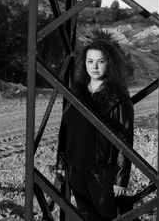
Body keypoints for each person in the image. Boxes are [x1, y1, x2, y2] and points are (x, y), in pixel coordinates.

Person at [56, 38, 134, 221]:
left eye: (100, 61)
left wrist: (121, 178)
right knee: (86, 216)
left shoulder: (118, 96)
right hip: (76, 167)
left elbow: (125, 138)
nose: (95, 67)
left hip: (102, 171)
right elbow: (64, 130)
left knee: (106, 217)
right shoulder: (76, 92)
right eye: (90, 61)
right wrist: (61, 164)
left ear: (109, 63)